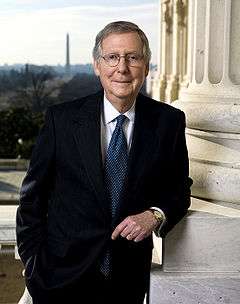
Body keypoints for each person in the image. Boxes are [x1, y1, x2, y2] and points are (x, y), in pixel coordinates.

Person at [16, 21, 192, 304]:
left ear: (146, 66)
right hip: (58, 278)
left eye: (132, 57)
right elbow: (31, 201)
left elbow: (179, 189)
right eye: (112, 57)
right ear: (97, 65)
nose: (121, 68)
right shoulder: (61, 120)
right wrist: (35, 266)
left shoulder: (168, 122)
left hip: (126, 282)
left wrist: (155, 215)